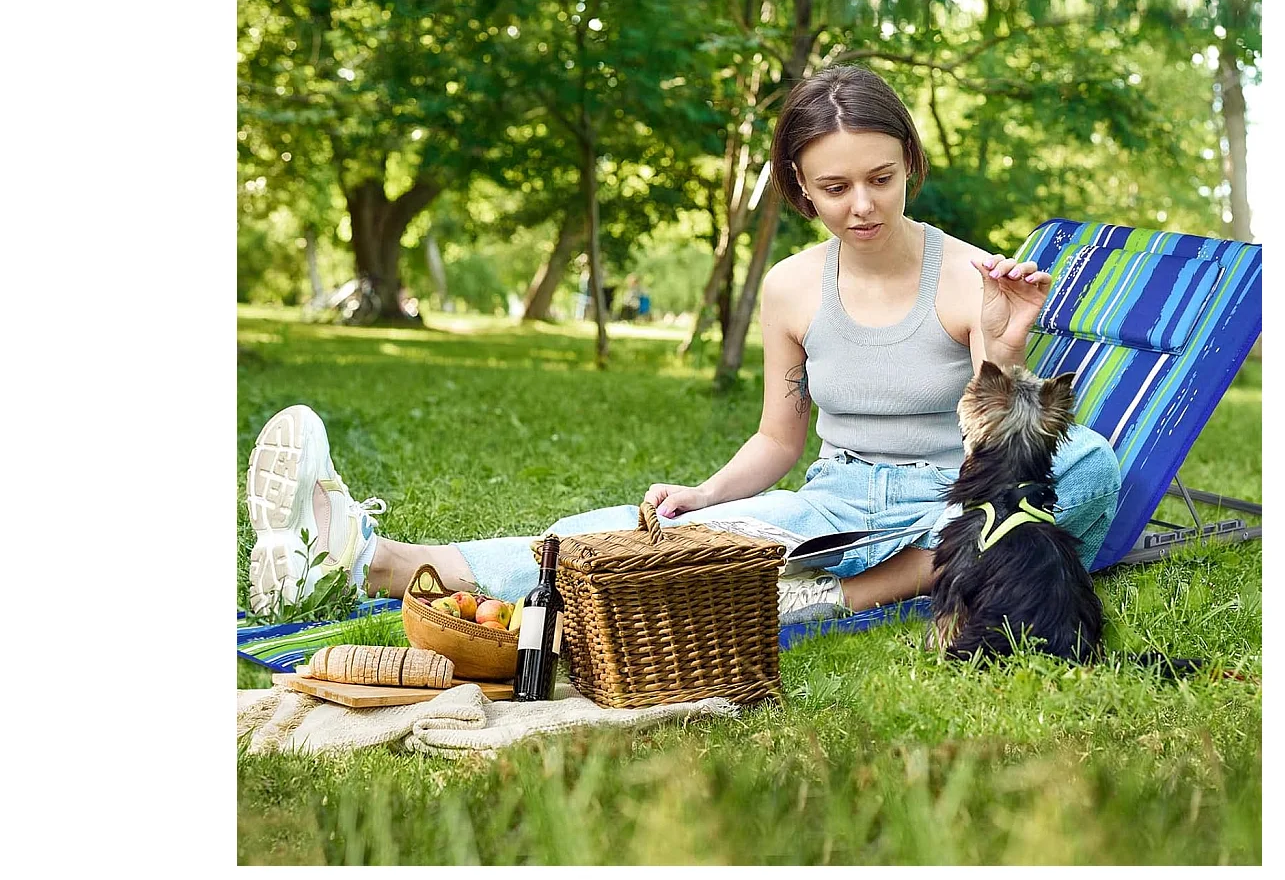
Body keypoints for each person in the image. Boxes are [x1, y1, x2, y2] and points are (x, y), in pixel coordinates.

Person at [244, 66, 1121, 624]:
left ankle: (851, 596)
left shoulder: (971, 275)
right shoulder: (789, 289)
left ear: (909, 166)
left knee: (1090, 465)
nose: (863, 204)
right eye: (835, 185)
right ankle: (363, 559)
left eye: (882, 178)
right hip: (838, 505)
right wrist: (702, 495)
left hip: (952, 505)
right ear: (799, 189)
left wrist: (1004, 347)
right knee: (640, 541)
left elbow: (996, 461)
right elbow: (782, 441)